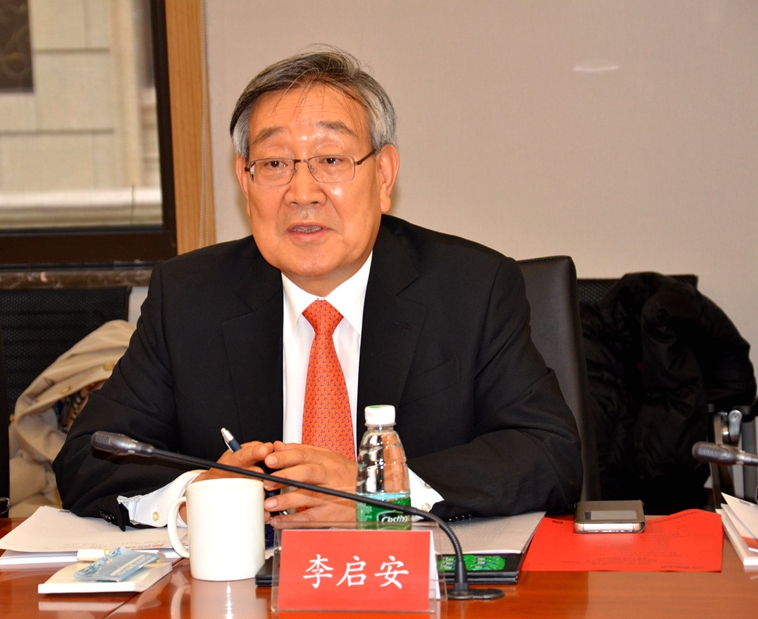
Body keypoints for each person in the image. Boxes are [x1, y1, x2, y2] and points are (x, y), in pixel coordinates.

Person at [54, 48, 582, 530]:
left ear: (384, 175)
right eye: (274, 164)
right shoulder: (189, 297)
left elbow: (549, 454)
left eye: (331, 160)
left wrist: (382, 493)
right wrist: (199, 494)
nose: (302, 192)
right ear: (245, 181)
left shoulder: (470, 288)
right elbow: (88, 458)